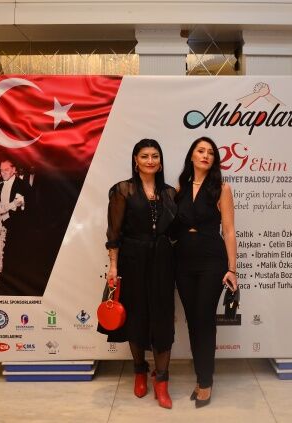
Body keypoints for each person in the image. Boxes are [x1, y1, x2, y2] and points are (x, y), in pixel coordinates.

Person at [99, 139, 177, 409]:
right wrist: (113, 266)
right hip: (132, 260)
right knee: (136, 317)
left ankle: (162, 382)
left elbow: (175, 230)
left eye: (155, 156)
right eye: (144, 156)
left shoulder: (170, 193)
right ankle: (140, 372)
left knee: (163, 319)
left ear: (161, 161)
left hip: (163, 261)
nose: (150, 161)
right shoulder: (123, 190)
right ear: (135, 160)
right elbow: (114, 232)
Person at [174, 136, 238, 408]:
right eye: (200, 151)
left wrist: (232, 269)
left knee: (204, 319)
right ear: (191, 156)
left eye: (210, 153)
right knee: (193, 320)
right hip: (183, 260)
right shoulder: (179, 188)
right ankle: (201, 376)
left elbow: (229, 231)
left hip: (212, 260)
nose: (205, 156)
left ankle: (205, 381)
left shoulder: (222, 188)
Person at [0, 159, 36, 296]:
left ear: (13, 170)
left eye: (6, 169)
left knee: (17, 256)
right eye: (1, 170)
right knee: (3, 254)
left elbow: (30, 206)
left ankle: (18, 286)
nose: (3, 173)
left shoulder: (22, 185)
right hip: (1, 225)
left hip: (18, 226)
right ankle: (4, 282)